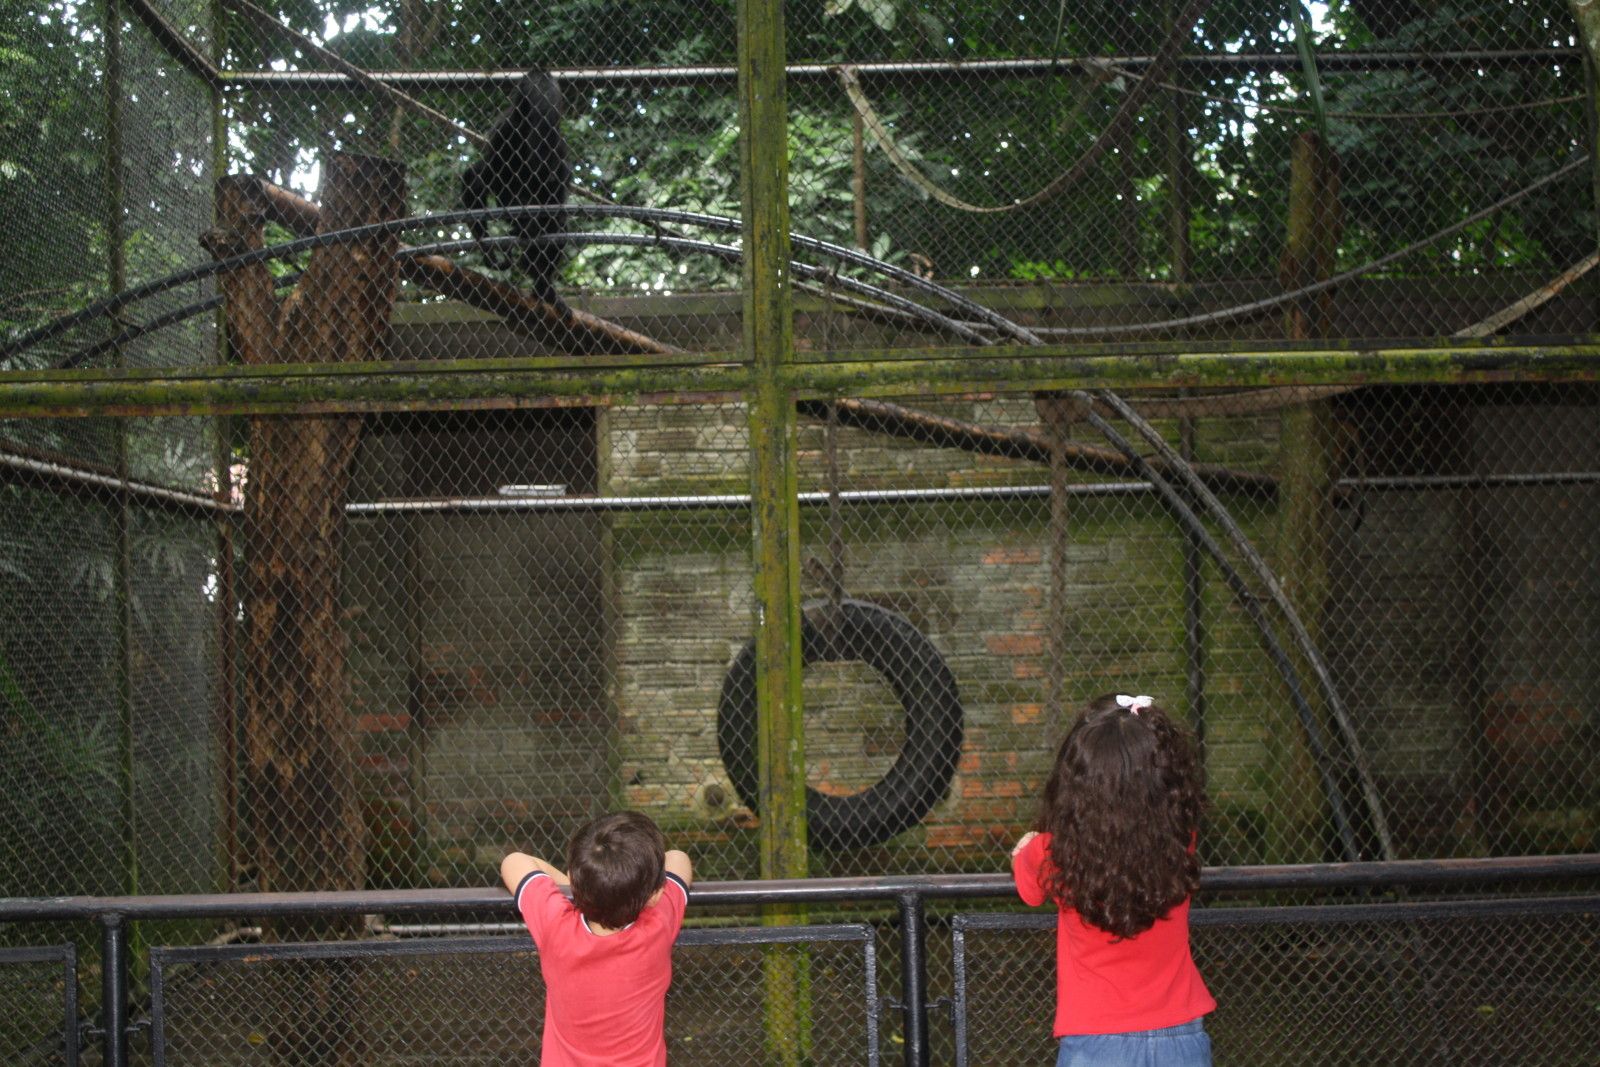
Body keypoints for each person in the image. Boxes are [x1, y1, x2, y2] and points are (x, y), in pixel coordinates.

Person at [1011, 693, 1216, 1067]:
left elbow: (1028, 890)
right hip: (1182, 1035)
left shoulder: (1053, 853)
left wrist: (1026, 846)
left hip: (1096, 1043)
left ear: (1075, 785)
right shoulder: (1180, 841)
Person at [501, 811, 693, 1066]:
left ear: (572, 879)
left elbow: (514, 861)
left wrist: (577, 889)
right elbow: (677, 858)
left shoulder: (555, 925)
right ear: (655, 895)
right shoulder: (658, 924)